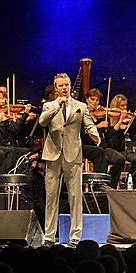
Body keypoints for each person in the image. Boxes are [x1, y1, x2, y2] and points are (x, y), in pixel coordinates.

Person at [39, 73, 100, 246]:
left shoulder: (80, 105)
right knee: (51, 197)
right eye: (61, 85)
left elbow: (88, 122)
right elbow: (43, 122)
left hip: (73, 155)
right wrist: (56, 106)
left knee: (75, 196)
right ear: (56, 88)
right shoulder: (49, 105)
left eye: (67, 85)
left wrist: (93, 132)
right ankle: (49, 237)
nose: (65, 88)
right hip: (53, 154)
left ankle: (75, 237)